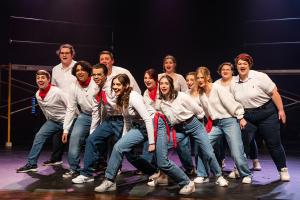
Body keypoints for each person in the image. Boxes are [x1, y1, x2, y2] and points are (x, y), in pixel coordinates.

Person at [71, 51, 141, 183]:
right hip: (109, 120)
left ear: (105, 75)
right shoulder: (96, 90)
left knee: (128, 153)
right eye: (94, 75)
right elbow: (96, 112)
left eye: (99, 75)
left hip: (123, 120)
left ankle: (151, 170)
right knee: (91, 140)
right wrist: (93, 132)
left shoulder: (114, 86)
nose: (96, 77)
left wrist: (129, 125)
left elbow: (128, 101)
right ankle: (87, 174)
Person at [155, 75, 229, 194]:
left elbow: (199, 111)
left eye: (166, 83)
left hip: (193, 125)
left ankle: (219, 176)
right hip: (178, 129)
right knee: (162, 148)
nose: (163, 86)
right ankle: (163, 176)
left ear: (171, 85)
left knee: (208, 151)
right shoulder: (160, 103)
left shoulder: (181, 96)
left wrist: (200, 125)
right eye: (161, 84)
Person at [230, 53, 290, 181]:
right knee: (242, 144)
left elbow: (274, 93)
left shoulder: (259, 76)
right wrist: (240, 117)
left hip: (267, 113)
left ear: (249, 65)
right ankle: (240, 169)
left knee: (273, 143)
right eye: (239, 64)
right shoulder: (233, 82)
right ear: (236, 66)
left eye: (245, 63)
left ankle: (282, 169)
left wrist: (281, 110)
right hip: (247, 116)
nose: (242, 66)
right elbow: (233, 102)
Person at [94, 74, 157, 193]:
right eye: (113, 84)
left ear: (126, 85)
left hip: (152, 124)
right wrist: (123, 139)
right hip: (139, 126)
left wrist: (152, 142)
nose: (115, 87)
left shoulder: (133, 97)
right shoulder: (122, 98)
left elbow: (148, 118)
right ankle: (153, 171)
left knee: (118, 147)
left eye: (118, 84)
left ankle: (109, 180)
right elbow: (127, 120)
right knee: (127, 151)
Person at [196, 66, 252, 184]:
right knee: (203, 145)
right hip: (216, 124)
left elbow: (230, 103)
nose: (200, 80)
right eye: (198, 78)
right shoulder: (201, 93)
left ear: (207, 77)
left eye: (202, 77)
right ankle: (202, 174)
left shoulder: (217, 88)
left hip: (229, 121)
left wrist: (240, 116)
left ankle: (246, 174)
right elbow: (207, 112)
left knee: (236, 152)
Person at [143, 69, 195, 186]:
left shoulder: (164, 91)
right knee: (160, 146)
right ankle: (162, 175)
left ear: (155, 80)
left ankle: (188, 170)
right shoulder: (146, 94)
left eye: (149, 78)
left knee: (181, 146)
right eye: (145, 78)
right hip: (160, 123)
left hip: (177, 123)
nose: (147, 80)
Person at [16, 70, 68, 172]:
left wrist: (69, 124)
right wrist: (49, 122)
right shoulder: (38, 94)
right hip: (53, 121)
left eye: (43, 77)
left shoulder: (57, 92)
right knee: (39, 136)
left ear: (48, 80)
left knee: (75, 141)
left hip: (67, 121)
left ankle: (76, 169)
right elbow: (45, 110)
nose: (40, 80)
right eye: (38, 78)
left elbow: (71, 106)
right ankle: (32, 164)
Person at [216, 62, 262, 173]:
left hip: (239, 114)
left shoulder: (236, 82)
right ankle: (221, 160)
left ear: (232, 71)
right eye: (223, 69)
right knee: (220, 139)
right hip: (223, 115)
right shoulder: (216, 84)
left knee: (247, 138)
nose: (225, 71)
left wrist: (240, 115)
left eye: (228, 69)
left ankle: (255, 160)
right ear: (220, 71)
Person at [61, 61, 98, 178]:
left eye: (83, 70)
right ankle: (74, 168)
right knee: (74, 138)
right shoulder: (73, 86)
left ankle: (97, 165)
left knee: (94, 140)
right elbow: (71, 108)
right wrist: (66, 129)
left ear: (88, 72)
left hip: (101, 116)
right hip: (85, 115)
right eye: (77, 70)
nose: (80, 72)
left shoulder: (95, 83)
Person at [43, 44, 77, 166]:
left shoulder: (78, 67)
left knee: (74, 134)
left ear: (72, 54)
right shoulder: (56, 69)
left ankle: (75, 164)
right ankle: (56, 158)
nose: (64, 55)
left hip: (76, 106)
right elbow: (53, 87)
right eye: (62, 53)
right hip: (61, 107)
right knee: (58, 133)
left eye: (67, 53)